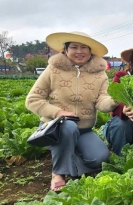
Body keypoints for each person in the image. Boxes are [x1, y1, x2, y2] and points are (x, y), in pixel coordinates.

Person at [25, 31, 118, 191]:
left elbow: (102, 102)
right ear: (65, 50)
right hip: (54, 128)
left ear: (90, 51)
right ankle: (58, 173)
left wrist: (116, 99)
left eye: (84, 47)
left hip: (84, 130)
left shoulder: (100, 74)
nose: (79, 51)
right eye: (74, 47)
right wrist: (58, 113)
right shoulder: (53, 70)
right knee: (68, 126)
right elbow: (32, 100)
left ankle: (66, 155)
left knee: (100, 158)